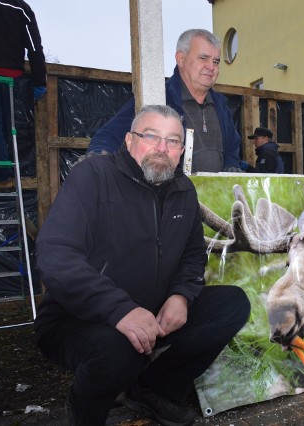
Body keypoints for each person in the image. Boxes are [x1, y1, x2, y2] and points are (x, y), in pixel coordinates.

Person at [34, 105, 250, 426]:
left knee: (233, 304)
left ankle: (153, 390)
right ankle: (84, 413)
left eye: (173, 140)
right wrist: (120, 310)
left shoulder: (183, 191)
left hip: (153, 313)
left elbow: (193, 257)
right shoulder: (93, 176)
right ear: (129, 140)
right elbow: (55, 255)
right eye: (151, 136)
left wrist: (181, 296)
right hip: (76, 318)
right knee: (119, 352)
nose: (162, 148)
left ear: (181, 150)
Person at [87, 29, 242, 173]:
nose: (211, 67)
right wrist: (97, 160)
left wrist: (231, 167)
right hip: (173, 198)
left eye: (216, 61)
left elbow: (233, 146)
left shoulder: (221, 105)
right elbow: (110, 134)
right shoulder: (160, 97)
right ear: (181, 59)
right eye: (203, 58)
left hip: (215, 198)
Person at [0, 0, 46, 184]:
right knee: (10, 127)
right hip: (12, 79)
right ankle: (4, 170)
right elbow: (34, 47)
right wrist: (39, 80)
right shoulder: (22, 8)